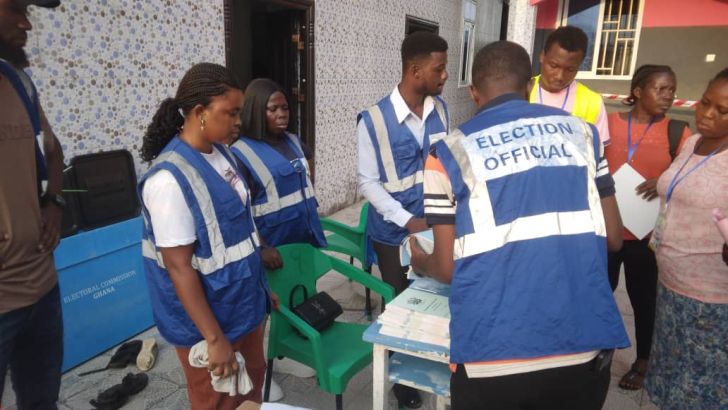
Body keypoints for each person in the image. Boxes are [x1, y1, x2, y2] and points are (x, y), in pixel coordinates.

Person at [410, 41, 629, 410]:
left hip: (493, 354)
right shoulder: (584, 135)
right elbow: (614, 240)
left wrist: (419, 261)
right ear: (529, 85)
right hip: (582, 345)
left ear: (474, 93)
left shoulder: (447, 153)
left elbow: (446, 268)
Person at [138, 63, 274, 409]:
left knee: (250, 390)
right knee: (219, 400)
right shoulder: (168, 180)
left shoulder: (221, 153)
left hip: (241, 306)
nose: (238, 121)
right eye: (230, 113)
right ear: (200, 113)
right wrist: (214, 339)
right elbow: (179, 267)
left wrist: (261, 292)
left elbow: (237, 232)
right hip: (209, 323)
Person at [357, 30, 450, 409]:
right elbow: (368, 182)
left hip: (437, 224)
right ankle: (401, 383)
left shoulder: (440, 109)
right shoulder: (373, 120)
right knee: (398, 302)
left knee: (433, 296)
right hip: (394, 231)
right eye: (439, 68)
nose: (445, 76)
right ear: (415, 70)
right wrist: (407, 219)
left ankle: (429, 359)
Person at [603, 64, 691, 391]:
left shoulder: (677, 131)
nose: (668, 96)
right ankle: (599, 348)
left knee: (643, 300)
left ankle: (643, 360)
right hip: (608, 232)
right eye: (661, 89)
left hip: (646, 236)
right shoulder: (609, 124)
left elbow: (689, 175)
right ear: (638, 91)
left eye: (672, 89)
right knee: (600, 293)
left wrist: (664, 180)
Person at [645, 68, 728, 409]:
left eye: (722, 111)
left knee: (701, 388)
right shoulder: (693, 141)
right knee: (670, 373)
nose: (707, 114)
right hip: (670, 285)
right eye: (705, 102)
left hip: (710, 301)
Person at [0, 0, 65, 408]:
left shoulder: (19, 83)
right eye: (13, 9)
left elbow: (54, 154)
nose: (27, 22)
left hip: (42, 289)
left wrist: (53, 200)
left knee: (41, 401)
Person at [231, 78, 326, 271]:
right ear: (256, 111)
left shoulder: (293, 141)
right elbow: (237, 214)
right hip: (274, 250)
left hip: (305, 240)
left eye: (285, 108)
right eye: (273, 109)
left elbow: (308, 174)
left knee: (305, 293)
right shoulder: (240, 154)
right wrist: (262, 247)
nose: (282, 115)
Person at [530, 25, 611, 146]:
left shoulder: (592, 102)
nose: (560, 76)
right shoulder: (520, 90)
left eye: (570, 69)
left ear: (579, 65)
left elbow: (598, 152)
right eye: (553, 66)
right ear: (542, 56)